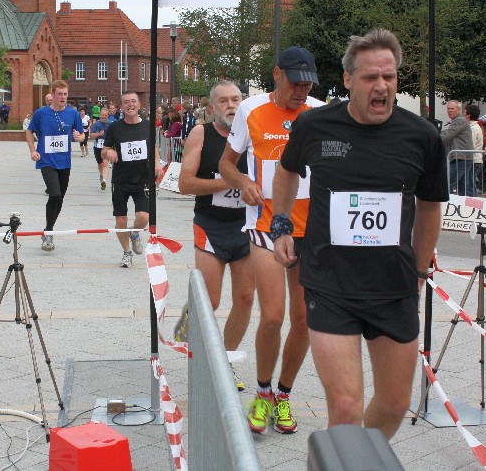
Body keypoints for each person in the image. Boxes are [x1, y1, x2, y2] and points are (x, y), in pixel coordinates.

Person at [271, 29, 447, 439]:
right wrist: (281, 225)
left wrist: (420, 271)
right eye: (370, 77)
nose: (381, 86)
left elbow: (429, 206)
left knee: (395, 404)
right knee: (347, 406)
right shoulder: (315, 125)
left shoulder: (422, 136)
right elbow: (286, 171)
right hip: (330, 283)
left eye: (389, 76)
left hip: (393, 285)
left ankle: (351, 458)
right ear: (348, 80)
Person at [219, 45, 324, 435]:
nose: (301, 92)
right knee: (273, 316)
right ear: (278, 74)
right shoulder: (251, 110)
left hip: (311, 230)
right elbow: (225, 164)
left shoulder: (319, 112)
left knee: (304, 320)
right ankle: (262, 392)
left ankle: (283, 394)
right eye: (295, 84)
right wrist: (244, 182)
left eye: (308, 85)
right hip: (264, 227)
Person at [175, 80, 254, 391]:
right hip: (211, 224)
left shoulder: (253, 134)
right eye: (224, 101)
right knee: (211, 299)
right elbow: (185, 184)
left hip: (246, 225)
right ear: (212, 107)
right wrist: (233, 181)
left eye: (236, 99)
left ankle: (224, 361)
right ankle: (190, 316)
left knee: (246, 299)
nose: (231, 106)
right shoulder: (201, 133)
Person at [102, 91, 163, 268]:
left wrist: (157, 164)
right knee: (121, 220)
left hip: (143, 178)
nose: (130, 105)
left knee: (144, 216)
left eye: (133, 101)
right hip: (121, 179)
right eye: (126, 102)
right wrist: (109, 152)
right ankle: (127, 252)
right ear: (121, 107)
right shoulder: (114, 128)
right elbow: (104, 151)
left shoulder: (148, 126)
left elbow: (153, 147)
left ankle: (135, 233)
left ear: (139, 105)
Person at [26, 80, 84, 252]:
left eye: (65, 94)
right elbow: (29, 131)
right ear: (52, 95)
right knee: (55, 193)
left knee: (59, 199)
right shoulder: (41, 113)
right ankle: (49, 232)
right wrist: (33, 150)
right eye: (59, 94)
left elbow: (82, 135)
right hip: (46, 160)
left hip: (64, 162)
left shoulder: (73, 114)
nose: (63, 97)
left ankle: (47, 229)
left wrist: (79, 137)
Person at [440, 100, 474, 196]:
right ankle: (465, 203)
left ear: (458, 110)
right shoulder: (457, 121)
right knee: (463, 187)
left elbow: (446, 136)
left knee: (448, 183)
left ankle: (446, 202)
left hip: (460, 158)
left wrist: (432, 140)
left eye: (452, 108)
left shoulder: (459, 121)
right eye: (448, 108)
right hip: (462, 157)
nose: (449, 110)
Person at [90, 107, 112, 190]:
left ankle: (104, 181)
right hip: (97, 147)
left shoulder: (110, 124)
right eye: (102, 115)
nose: (103, 117)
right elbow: (91, 136)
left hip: (106, 147)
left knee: (105, 163)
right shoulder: (96, 124)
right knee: (100, 164)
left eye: (105, 115)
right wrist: (98, 134)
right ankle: (102, 175)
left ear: (108, 116)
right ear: (100, 115)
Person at [466, 104, 485, 194]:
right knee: (471, 182)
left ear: (469, 115)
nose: (463, 114)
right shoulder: (474, 127)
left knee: (470, 183)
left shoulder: (473, 128)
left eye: (465, 112)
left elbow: (471, 144)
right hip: (475, 159)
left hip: (474, 159)